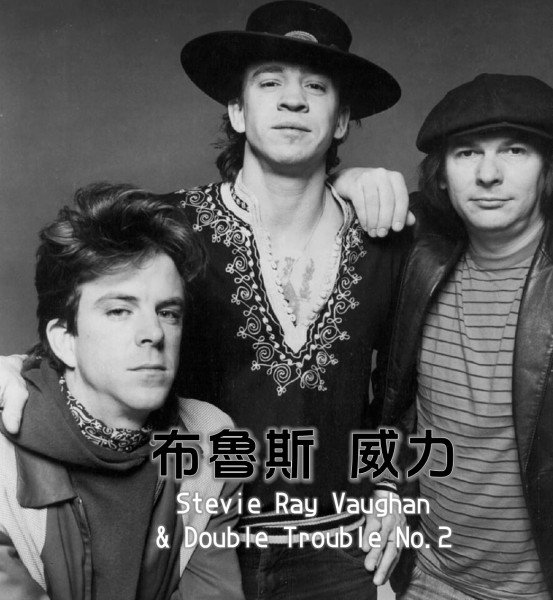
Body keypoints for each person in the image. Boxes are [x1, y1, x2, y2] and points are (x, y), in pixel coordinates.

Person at [0, 2, 412, 599]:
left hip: (337, 548)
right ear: (237, 112)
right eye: (269, 83)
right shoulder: (172, 228)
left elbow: (398, 390)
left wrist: (391, 489)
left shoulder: (383, 242)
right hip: (193, 543)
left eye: (316, 87)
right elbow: (83, 329)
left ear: (342, 119)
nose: (292, 101)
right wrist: (13, 369)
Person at [382, 73, 553, 599]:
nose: (488, 174)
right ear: (441, 177)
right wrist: (388, 486)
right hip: (428, 580)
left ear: (549, 169)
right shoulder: (419, 251)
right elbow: (396, 405)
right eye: (466, 154)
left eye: (515, 151)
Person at [0, 184, 244, 599]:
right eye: (119, 310)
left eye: (168, 312)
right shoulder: (5, 459)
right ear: (64, 340)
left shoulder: (211, 440)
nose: (153, 333)